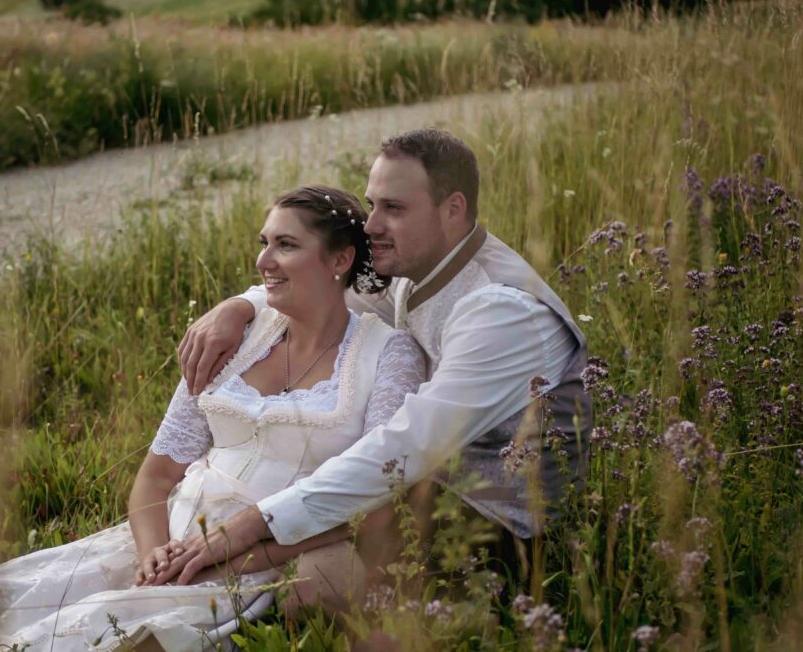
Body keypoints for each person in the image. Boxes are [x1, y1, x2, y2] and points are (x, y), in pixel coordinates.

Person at [0, 186, 427, 652]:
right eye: (264, 241)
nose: (263, 259)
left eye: (286, 245)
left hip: (260, 562)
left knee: (109, 639)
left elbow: (376, 505)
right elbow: (157, 474)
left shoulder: (387, 354)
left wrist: (226, 563)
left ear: (340, 258)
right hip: (166, 548)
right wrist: (151, 557)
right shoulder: (236, 339)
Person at [157, 128, 593, 589]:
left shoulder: (502, 311)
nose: (370, 226)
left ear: (452, 209)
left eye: (394, 209)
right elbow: (330, 296)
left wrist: (254, 522)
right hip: (412, 493)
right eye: (372, 204)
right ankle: (218, 571)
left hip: (490, 526)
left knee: (313, 580)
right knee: (285, 554)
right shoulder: (417, 268)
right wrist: (240, 306)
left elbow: (405, 448)